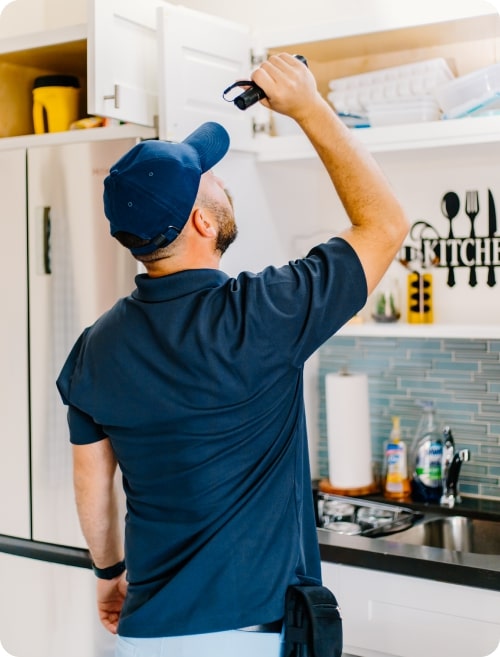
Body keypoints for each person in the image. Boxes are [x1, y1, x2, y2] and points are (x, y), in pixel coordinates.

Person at [56, 53, 408, 657]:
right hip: (253, 638)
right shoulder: (264, 314)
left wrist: (108, 574)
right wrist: (310, 108)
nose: (222, 180)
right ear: (199, 218)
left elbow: (93, 483)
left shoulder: (96, 346)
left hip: (148, 638)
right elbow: (384, 224)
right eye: (209, 177)